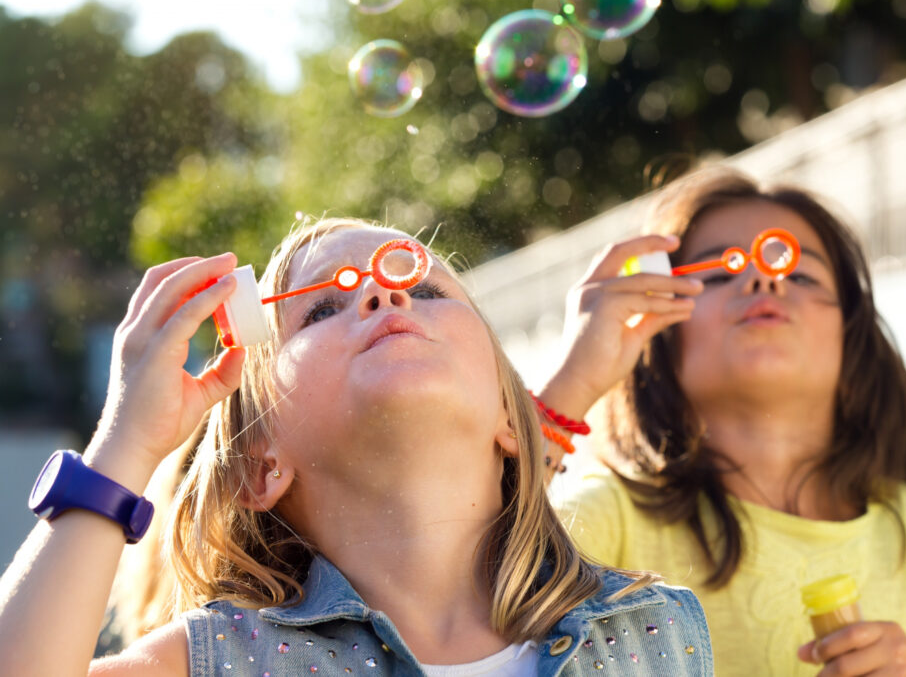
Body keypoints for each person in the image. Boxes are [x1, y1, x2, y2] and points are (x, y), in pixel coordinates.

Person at [0, 218, 714, 676]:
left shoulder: (654, 628)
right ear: (260, 463)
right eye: (320, 307)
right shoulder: (214, 661)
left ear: (511, 417)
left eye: (424, 288)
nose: (385, 295)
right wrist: (127, 441)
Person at [535, 168, 906, 676]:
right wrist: (575, 380)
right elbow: (486, 585)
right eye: (721, 273)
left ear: (850, 334)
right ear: (659, 337)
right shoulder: (609, 520)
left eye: (801, 274)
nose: (764, 278)